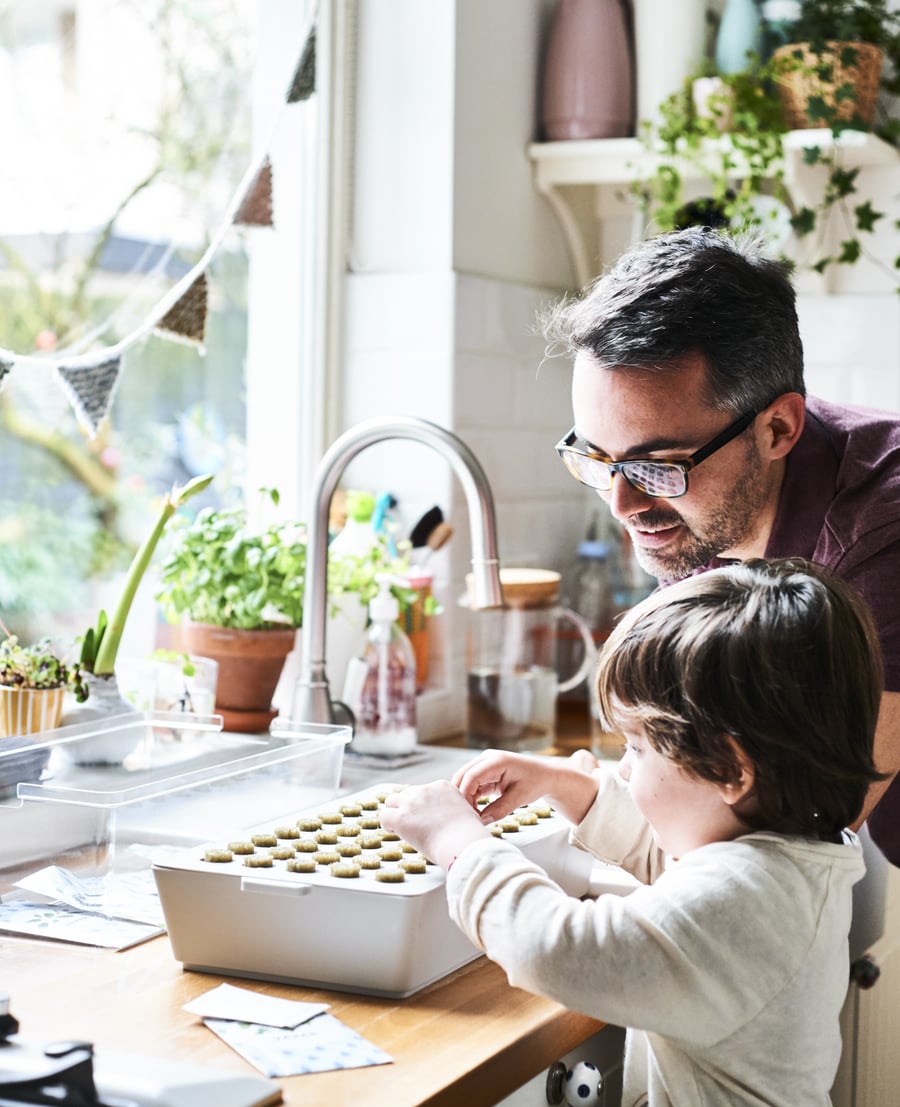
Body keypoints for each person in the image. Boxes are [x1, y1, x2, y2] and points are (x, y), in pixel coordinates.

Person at [381, 559, 886, 1107]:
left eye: (637, 749)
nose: (623, 767)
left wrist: (459, 844)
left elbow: (554, 949)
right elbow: (678, 858)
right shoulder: (791, 856)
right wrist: (570, 787)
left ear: (731, 771)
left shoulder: (744, 903)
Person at [542, 226, 900, 865]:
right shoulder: (705, 504)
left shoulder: (881, 530)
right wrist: (574, 791)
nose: (622, 505)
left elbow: (792, 845)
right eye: (598, 459)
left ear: (778, 428)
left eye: (658, 467)